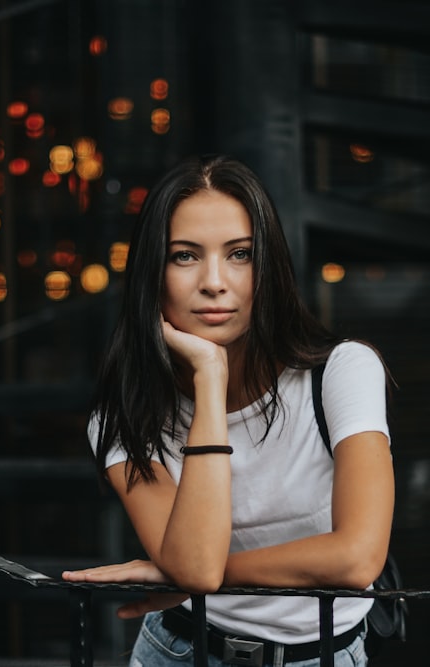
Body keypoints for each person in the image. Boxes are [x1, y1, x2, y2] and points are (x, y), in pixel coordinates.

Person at [63, 154, 394, 667]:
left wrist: (204, 574)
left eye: (240, 254)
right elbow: (194, 566)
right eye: (185, 256)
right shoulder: (124, 413)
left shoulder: (342, 373)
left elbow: (357, 558)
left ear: (270, 267)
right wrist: (210, 381)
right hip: (178, 651)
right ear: (153, 272)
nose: (215, 282)